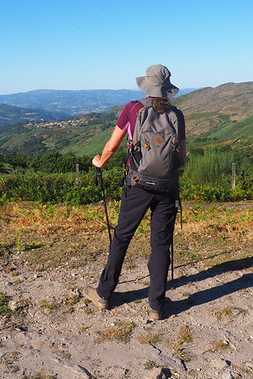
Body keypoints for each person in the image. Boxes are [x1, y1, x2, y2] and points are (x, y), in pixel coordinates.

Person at [83, 64, 187, 320]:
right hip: (166, 187)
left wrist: (100, 162)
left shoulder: (132, 109)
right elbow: (182, 158)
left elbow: (112, 145)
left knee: (122, 237)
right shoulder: (177, 116)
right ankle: (156, 305)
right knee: (161, 243)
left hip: (138, 183)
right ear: (168, 88)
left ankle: (104, 294)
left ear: (147, 86)